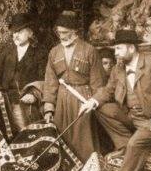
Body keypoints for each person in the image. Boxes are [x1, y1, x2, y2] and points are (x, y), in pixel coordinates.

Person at [81, 29, 151, 171]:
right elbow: (108, 91)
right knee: (101, 108)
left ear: (132, 48)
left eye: (119, 48)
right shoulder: (118, 69)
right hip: (131, 117)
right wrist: (92, 101)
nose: (116, 53)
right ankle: (123, 144)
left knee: (135, 144)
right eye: (115, 49)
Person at [42, 11, 105, 162]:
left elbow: (98, 83)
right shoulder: (54, 52)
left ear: (74, 31)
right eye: (59, 32)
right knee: (62, 138)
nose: (61, 36)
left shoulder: (89, 50)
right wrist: (49, 108)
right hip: (62, 101)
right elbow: (50, 82)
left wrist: (95, 102)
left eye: (65, 32)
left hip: (83, 100)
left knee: (83, 140)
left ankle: (89, 167)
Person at [0, 14, 47, 132]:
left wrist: (34, 95)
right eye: (14, 31)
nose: (16, 35)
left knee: (27, 136)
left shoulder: (39, 53)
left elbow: (45, 79)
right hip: (6, 104)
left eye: (20, 31)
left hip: (29, 105)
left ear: (30, 33)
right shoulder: (6, 52)